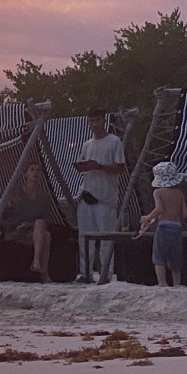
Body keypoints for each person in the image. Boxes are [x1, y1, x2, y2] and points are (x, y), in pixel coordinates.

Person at [71, 108, 126, 285]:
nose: (94, 124)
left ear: (104, 121)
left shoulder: (113, 141)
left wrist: (99, 167)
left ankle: (106, 274)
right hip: (87, 193)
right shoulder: (87, 144)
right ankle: (85, 272)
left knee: (105, 238)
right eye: (91, 121)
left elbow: (120, 167)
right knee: (84, 237)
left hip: (105, 196)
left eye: (97, 120)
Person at [136, 159, 187, 287]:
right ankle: (177, 283)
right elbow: (185, 214)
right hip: (177, 228)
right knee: (175, 257)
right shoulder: (179, 193)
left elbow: (159, 209)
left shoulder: (158, 192)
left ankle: (162, 282)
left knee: (159, 256)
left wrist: (148, 218)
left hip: (164, 227)